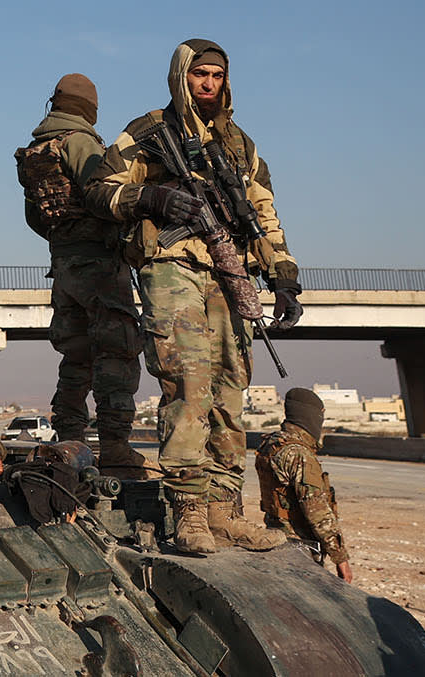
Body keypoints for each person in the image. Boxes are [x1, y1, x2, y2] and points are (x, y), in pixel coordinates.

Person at [85, 38, 302, 556]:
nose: (209, 84)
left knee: (231, 385)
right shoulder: (149, 131)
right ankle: (188, 509)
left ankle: (226, 508)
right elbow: (98, 189)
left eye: (217, 76)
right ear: (183, 75)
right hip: (172, 265)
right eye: (200, 74)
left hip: (231, 272)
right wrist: (152, 196)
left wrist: (285, 274)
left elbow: (262, 210)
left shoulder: (239, 145)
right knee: (188, 382)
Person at [16, 73, 149, 478]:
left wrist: (65, 240)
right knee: (116, 351)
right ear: (90, 108)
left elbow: (34, 217)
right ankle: (114, 445)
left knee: (75, 358)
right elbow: (101, 194)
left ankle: (68, 438)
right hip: (99, 265)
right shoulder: (81, 143)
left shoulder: (37, 150)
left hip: (64, 266)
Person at [257, 387, 353, 581]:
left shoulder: (272, 444)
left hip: (275, 538)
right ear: (309, 416)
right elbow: (316, 512)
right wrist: (340, 558)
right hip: (300, 546)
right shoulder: (299, 453)